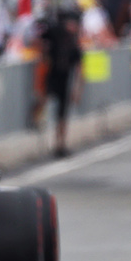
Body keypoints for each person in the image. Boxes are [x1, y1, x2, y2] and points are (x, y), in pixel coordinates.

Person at [40, 8, 84, 158]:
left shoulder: (73, 44)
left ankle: (60, 144)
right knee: (43, 106)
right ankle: (47, 141)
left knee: (62, 115)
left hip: (64, 80)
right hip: (51, 76)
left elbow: (79, 69)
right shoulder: (55, 34)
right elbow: (41, 41)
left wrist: (77, 89)